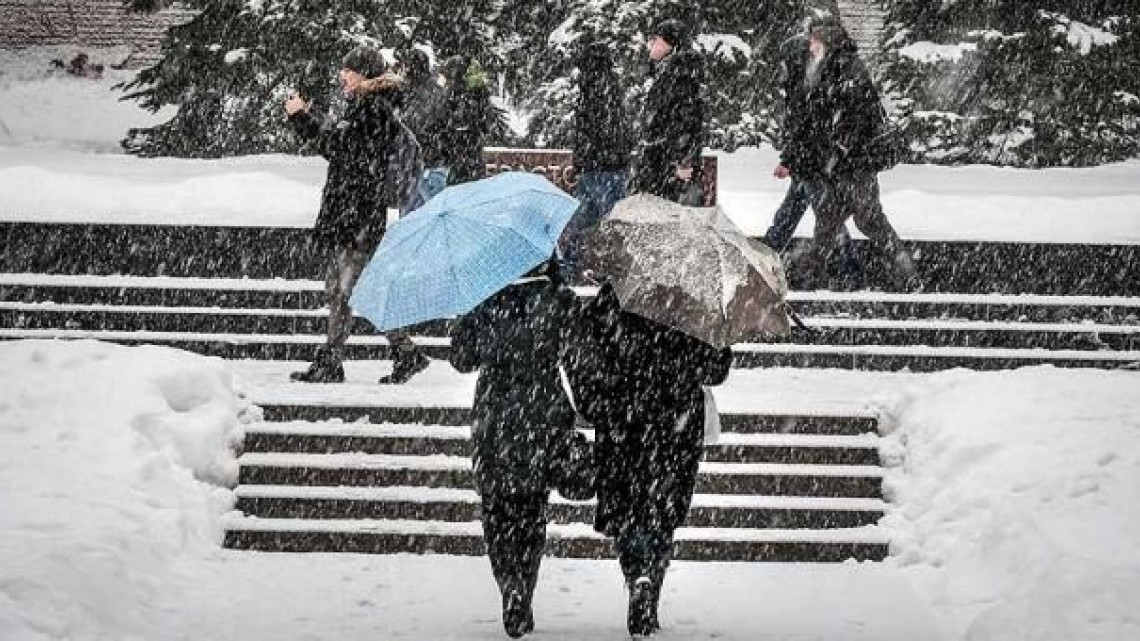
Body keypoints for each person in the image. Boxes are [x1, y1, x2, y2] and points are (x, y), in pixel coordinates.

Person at [563, 283, 733, 637]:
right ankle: (650, 581)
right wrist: (721, 338)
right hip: (675, 425)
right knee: (662, 509)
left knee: (628, 508)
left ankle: (636, 570)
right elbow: (714, 370)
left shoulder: (612, 300)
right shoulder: (691, 302)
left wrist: (596, 402)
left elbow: (581, 356)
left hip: (623, 422)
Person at [449, 258, 584, 639]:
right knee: (532, 511)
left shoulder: (486, 298)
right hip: (542, 414)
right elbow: (577, 358)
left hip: (495, 418)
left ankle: (508, 583)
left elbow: (461, 359)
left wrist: (464, 322)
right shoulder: (560, 300)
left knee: (497, 510)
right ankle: (523, 587)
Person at [284, 46, 430, 384]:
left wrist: (300, 117)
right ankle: (402, 354)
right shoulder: (372, 108)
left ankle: (340, 362)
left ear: (363, 74)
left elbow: (338, 150)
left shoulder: (371, 110)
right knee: (351, 290)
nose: (342, 76)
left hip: (357, 215)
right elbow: (341, 146)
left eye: (348, 71)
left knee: (344, 291)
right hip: (358, 212)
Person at [775, 17, 919, 289]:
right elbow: (809, 118)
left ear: (827, 40)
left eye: (814, 39)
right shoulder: (819, 68)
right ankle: (810, 275)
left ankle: (906, 270)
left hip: (854, 164)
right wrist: (796, 158)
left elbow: (858, 115)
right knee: (827, 222)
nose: (810, 44)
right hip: (831, 164)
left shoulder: (849, 67)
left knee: (868, 220)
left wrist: (840, 148)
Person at [765, 33, 863, 286]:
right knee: (793, 216)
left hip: (813, 166)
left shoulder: (805, 87)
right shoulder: (806, 84)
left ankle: (850, 269)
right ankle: (766, 258)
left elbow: (804, 129)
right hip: (809, 165)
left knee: (825, 219)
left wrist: (789, 160)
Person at [560, 40, 633, 279]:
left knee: (585, 221)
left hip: (600, 168)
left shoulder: (594, 89)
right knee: (600, 222)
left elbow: (593, 131)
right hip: (605, 167)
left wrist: (584, 159)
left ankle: (573, 267)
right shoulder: (608, 87)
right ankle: (611, 270)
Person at [630, 19, 705, 202]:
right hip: (660, 160)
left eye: (656, 39)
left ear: (670, 44)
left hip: (666, 164)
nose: (651, 44)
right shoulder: (669, 72)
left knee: (661, 217)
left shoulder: (681, 75)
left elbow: (687, 120)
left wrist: (682, 160)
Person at [394, 47, 450, 212]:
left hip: (419, 166)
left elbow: (414, 127)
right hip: (433, 165)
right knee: (434, 218)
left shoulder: (409, 94)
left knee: (413, 221)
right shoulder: (437, 91)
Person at [438, 55, 499, 185]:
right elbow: (485, 122)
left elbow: (449, 121)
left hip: (457, 153)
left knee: (456, 188)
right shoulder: (479, 91)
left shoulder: (454, 92)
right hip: (473, 151)